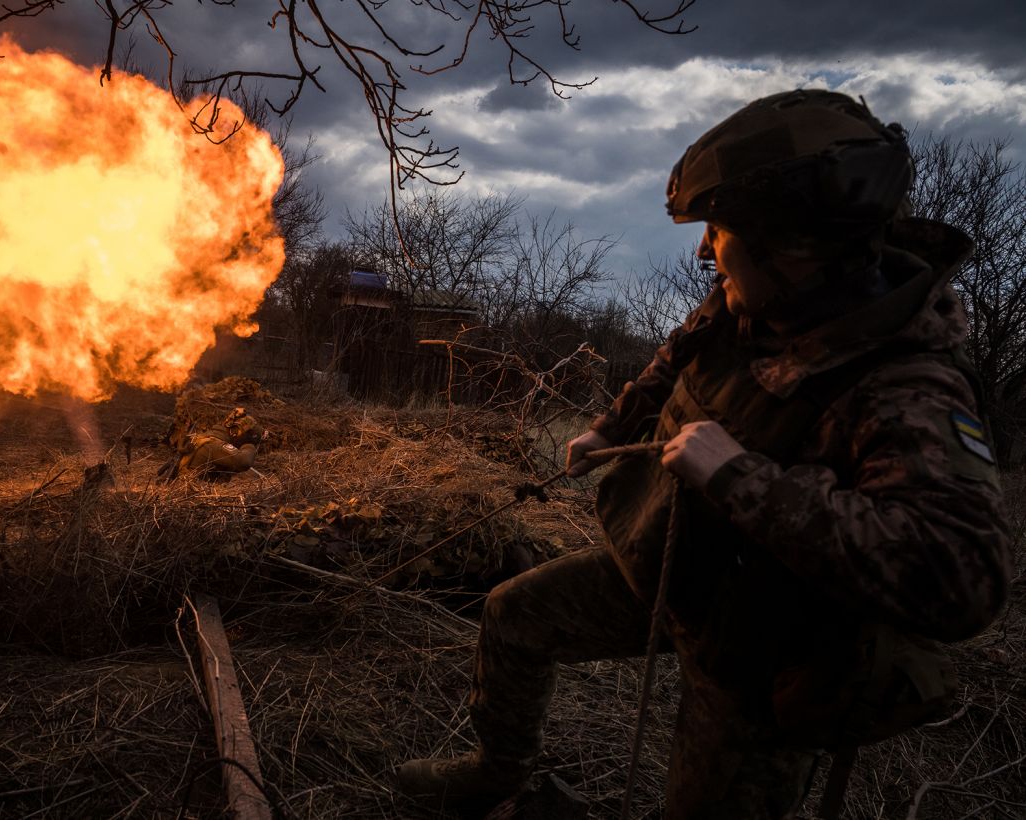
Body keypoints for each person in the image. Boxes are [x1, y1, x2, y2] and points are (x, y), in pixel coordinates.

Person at [396, 90, 1014, 818]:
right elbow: (675, 358)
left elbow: (962, 579)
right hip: (672, 564)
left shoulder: (906, 384)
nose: (703, 251)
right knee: (516, 613)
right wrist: (609, 425)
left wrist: (740, 478)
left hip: (764, 650)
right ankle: (495, 772)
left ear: (790, 247)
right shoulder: (753, 300)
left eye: (718, 230)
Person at [163, 407, 265, 480]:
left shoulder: (205, 437)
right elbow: (244, 462)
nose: (245, 438)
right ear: (234, 430)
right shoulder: (215, 444)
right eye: (246, 434)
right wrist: (249, 444)